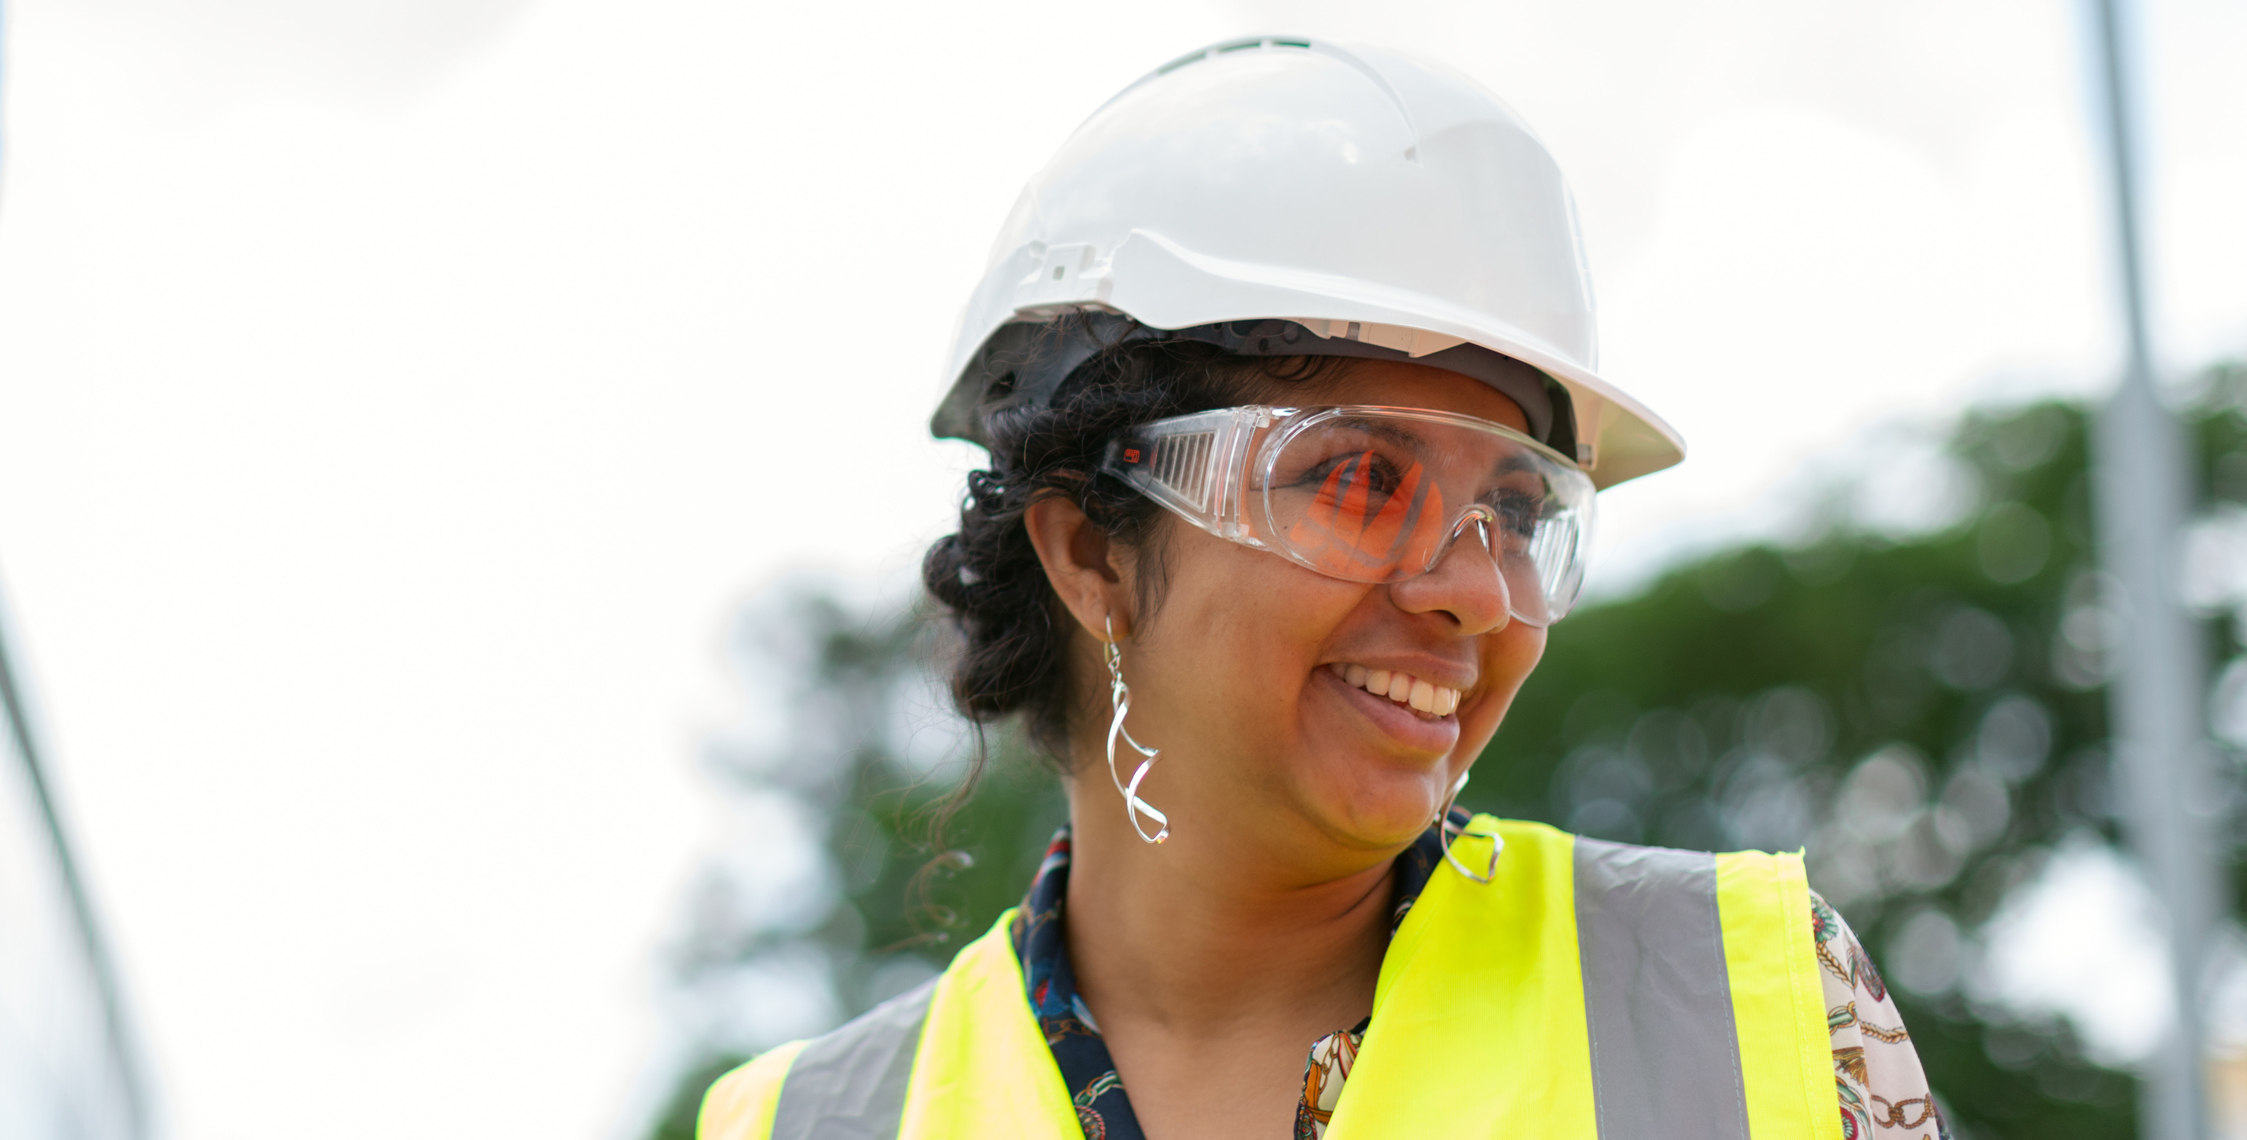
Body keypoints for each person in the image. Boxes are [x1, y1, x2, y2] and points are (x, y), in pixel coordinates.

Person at [702, 35, 1943, 1140]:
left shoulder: (1749, 1008)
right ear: (1089, 553)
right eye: (1357, 479)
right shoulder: (804, 1123)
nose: (1481, 594)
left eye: (1517, 512)